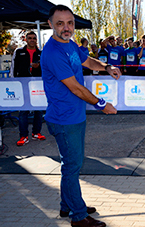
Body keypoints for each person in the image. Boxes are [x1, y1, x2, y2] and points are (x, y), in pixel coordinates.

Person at [41, 5, 121, 227]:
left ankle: (68, 205)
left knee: (71, 165)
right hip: (64, 119)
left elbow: (87, 61)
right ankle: (78, 216)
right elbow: (75, 87)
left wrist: (106, 66)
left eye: (70, 23)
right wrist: (102, 104)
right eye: (60, 23)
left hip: (74, 116)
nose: (66, 28)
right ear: (50, 25)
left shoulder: (71, 45)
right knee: (72, 166)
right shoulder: (53, 52)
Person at [10, 31, 46, 146]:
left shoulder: (41, 53)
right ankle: (23, 136)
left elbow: (47, 68)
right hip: (22, 85)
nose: (32, 40)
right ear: (26, 40)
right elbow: (13, 68)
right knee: (23, 111)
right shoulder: (19, 52)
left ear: (36, 40)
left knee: (38, 111)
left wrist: (39, 66)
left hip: (37, 86)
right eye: (30, 38)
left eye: (34, 38)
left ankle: (36, 133)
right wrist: (13, 82)